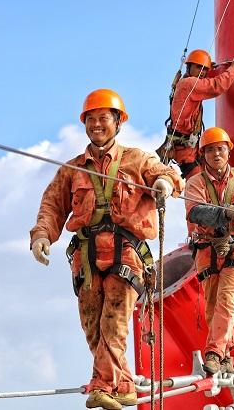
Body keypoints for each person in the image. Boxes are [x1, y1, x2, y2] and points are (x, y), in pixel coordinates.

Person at [30, 88, 184, 409]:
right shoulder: (73, 169)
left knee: (113, 323)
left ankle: (102, 386)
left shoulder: (137, 159)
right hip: (86, 258)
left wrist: (163, 184)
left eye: (103, 118)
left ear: (118, 122)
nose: (97, 124)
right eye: (91, 119)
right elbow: (52, 205)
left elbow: (167, 174)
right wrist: (42, 235)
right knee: (93, 327)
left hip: (125, 254)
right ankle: (123, 384)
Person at [184, 127, 234, 374]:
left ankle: (214, 353)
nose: (216, 154)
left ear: (228, 151)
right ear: (203, 155)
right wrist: (227, 212)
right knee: (213, 306)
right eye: (210, 150)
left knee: (227, 299)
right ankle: (226, 355)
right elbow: (195, 212)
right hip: (208, 251)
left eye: (220, 149)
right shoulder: (195, 183)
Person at [156, 49, 234, 180]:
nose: (202, 72)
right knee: (200, 181)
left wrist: (214, 70)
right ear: (189, 67)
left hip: (189, 146)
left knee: (210, 177)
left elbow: (206, 82)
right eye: (198, 67)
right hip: (185, 148)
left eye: (205, 69)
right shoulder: (189, 84)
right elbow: (216, 85)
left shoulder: (185, 82)